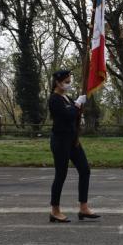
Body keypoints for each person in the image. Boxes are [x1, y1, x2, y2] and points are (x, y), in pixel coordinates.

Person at [48, 69, 100, 223]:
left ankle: (83, 208)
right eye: (66, 82)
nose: (69, 84)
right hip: (60, 141)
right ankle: (55, 211)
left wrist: (78, 109)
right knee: (61, 175)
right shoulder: (54, 99)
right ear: (58, 82)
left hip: (73, 140)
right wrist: (77, 105)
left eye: (70, 81)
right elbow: (68, 115)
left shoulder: (67, 98)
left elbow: (75, 116)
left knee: (85, 170)